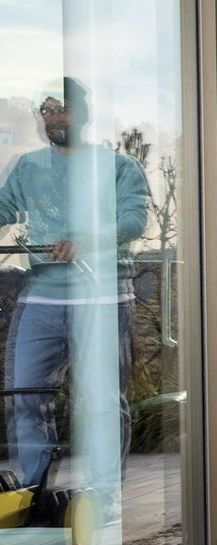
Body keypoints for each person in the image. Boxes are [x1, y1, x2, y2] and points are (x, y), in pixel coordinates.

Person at [0, 77, 146, 495]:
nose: (52, 118)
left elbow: (134, 220)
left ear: (84, 113)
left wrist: (88, 241)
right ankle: (32, 489)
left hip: (102, 296)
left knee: (100, 402)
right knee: (24, 393)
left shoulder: (119, 167)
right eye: (46, 110)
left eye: (61, 108)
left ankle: (104, 494)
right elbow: (5, 206)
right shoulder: (29, 167)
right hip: (42, 295)